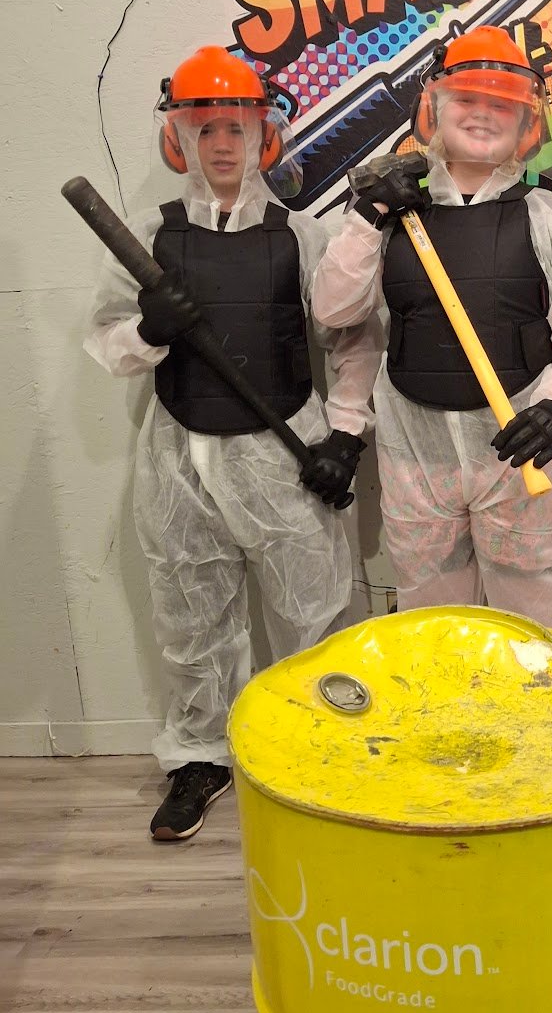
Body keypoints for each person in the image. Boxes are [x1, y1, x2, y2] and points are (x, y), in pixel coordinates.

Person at [85, 47, 379, 842]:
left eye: (236, 127)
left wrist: (345, 435)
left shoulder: (301, 237)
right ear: (177, 137)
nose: (222, 144)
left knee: (314, 612)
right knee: (191, 614)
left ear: (264, 135)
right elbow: (108, 342)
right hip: (180, 455)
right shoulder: (150, 239)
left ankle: (325, 746)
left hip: (286, 453)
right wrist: (150, 328)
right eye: (204, 128)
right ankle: (199, 758)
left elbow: (352, 341)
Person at [312, 26, 552, 631]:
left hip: (519, 454)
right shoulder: (389, 217)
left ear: (526, 123)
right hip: (415, 459)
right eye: (468, 99)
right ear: (434, 108)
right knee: (434, 623)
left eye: (501, 104)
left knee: (533, 624)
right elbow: (334, 311)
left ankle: (536, 701)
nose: (482, 114)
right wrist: (369, 216)